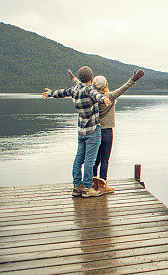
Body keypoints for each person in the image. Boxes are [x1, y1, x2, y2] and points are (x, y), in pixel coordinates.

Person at [68, 68, 145, 193]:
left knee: (94, 160)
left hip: (93, 131)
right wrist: (133, 80)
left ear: (92, 83)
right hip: (107, 132)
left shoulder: (90, 94)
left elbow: (79, 85)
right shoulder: (109, 96)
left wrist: (73, 77)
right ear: (105, 85)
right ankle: (102, 185)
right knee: (104, 160)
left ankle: (92, 183)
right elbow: (123, 89)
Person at [42, 65, 111, 198]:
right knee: (90, 161)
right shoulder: (89, 90)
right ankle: (87, 188)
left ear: (80, 78)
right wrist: (103, 99)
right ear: (91, 78)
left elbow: (62, 93)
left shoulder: (75, 89)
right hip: (93, 131)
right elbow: (96, 95)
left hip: (81, 130)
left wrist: (50, 93)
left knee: (79, 159)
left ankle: (76, 187)